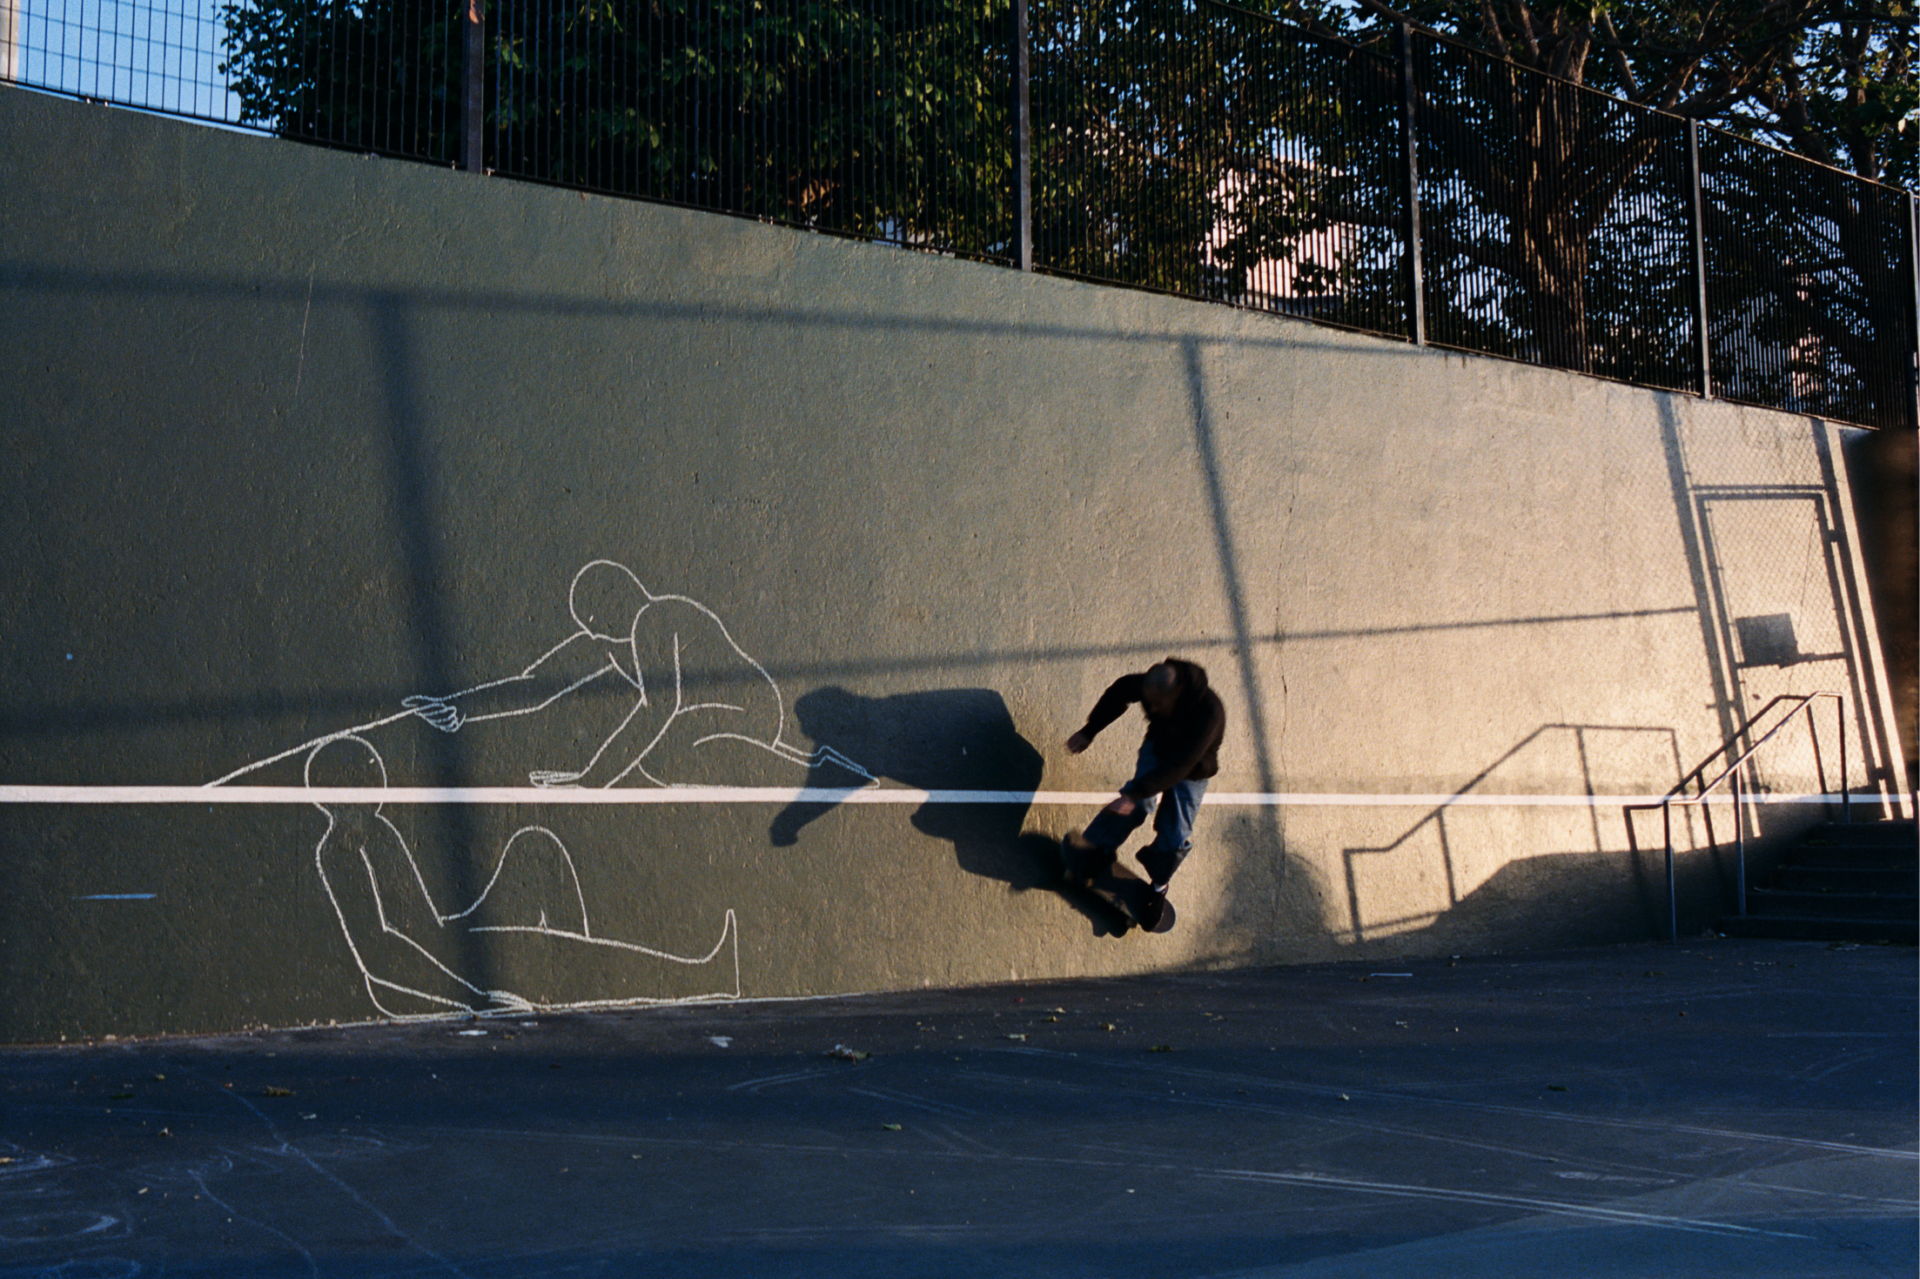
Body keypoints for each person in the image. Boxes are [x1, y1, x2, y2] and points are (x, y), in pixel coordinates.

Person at [1062, 657, 1225, 929]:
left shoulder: (1209, 712)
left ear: (1178, 694)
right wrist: (1089, 731)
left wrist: (1136, 792)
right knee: (1134, 805)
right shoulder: (1151, 685)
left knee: (1175, 833)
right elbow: (1117, 694)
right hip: (1159, 746)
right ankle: (1099, 849)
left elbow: (1180, 766)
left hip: (1193, 768)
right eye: (1151, 703)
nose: (1154, 709)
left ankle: (1158, 889)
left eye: (1161, 705)